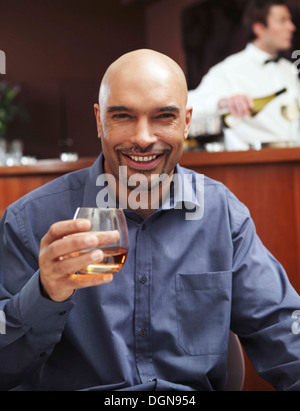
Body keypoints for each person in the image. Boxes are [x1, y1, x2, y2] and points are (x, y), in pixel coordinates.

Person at [0, 49, 300, 392]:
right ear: (100, 121)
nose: (143, 137)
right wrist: (44, 294)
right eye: (124, 116)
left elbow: (283, 328)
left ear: (186, 121)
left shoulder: (223, 215)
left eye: (163, 116)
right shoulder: (29, 220)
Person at [188, 0, 300, 151]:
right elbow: (188, 104)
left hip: (293, 159)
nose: (291, 27)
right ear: (259, 28)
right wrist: (222, 102)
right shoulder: (229, 70)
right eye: (282, 21)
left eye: (290, 20)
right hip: (252, 163)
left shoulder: (289, 69)